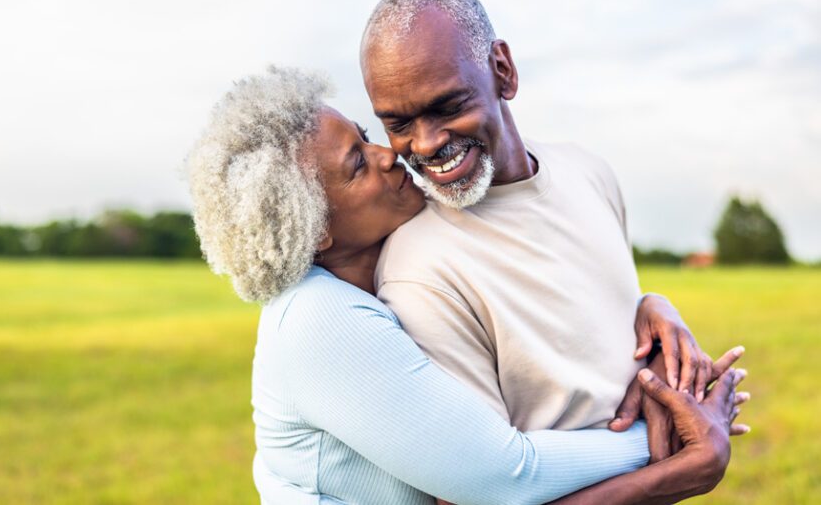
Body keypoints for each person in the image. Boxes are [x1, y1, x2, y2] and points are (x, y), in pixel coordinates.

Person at [186, 66, 749, 504]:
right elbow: (504, 476)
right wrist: (678, 427)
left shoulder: (385, 272)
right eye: (356, 164)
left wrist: (649, 302)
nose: (391, 155)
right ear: (313, 228)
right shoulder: (316, 319)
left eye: (366, 136)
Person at [360, 0, 715, 458]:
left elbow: (604, 334)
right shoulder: (418, 270)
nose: (424, 145)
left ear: (502, 70)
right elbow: (483, 486)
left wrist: (653, 314)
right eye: (398, 124)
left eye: (448, 106)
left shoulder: (588, 172)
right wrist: (686, 466)